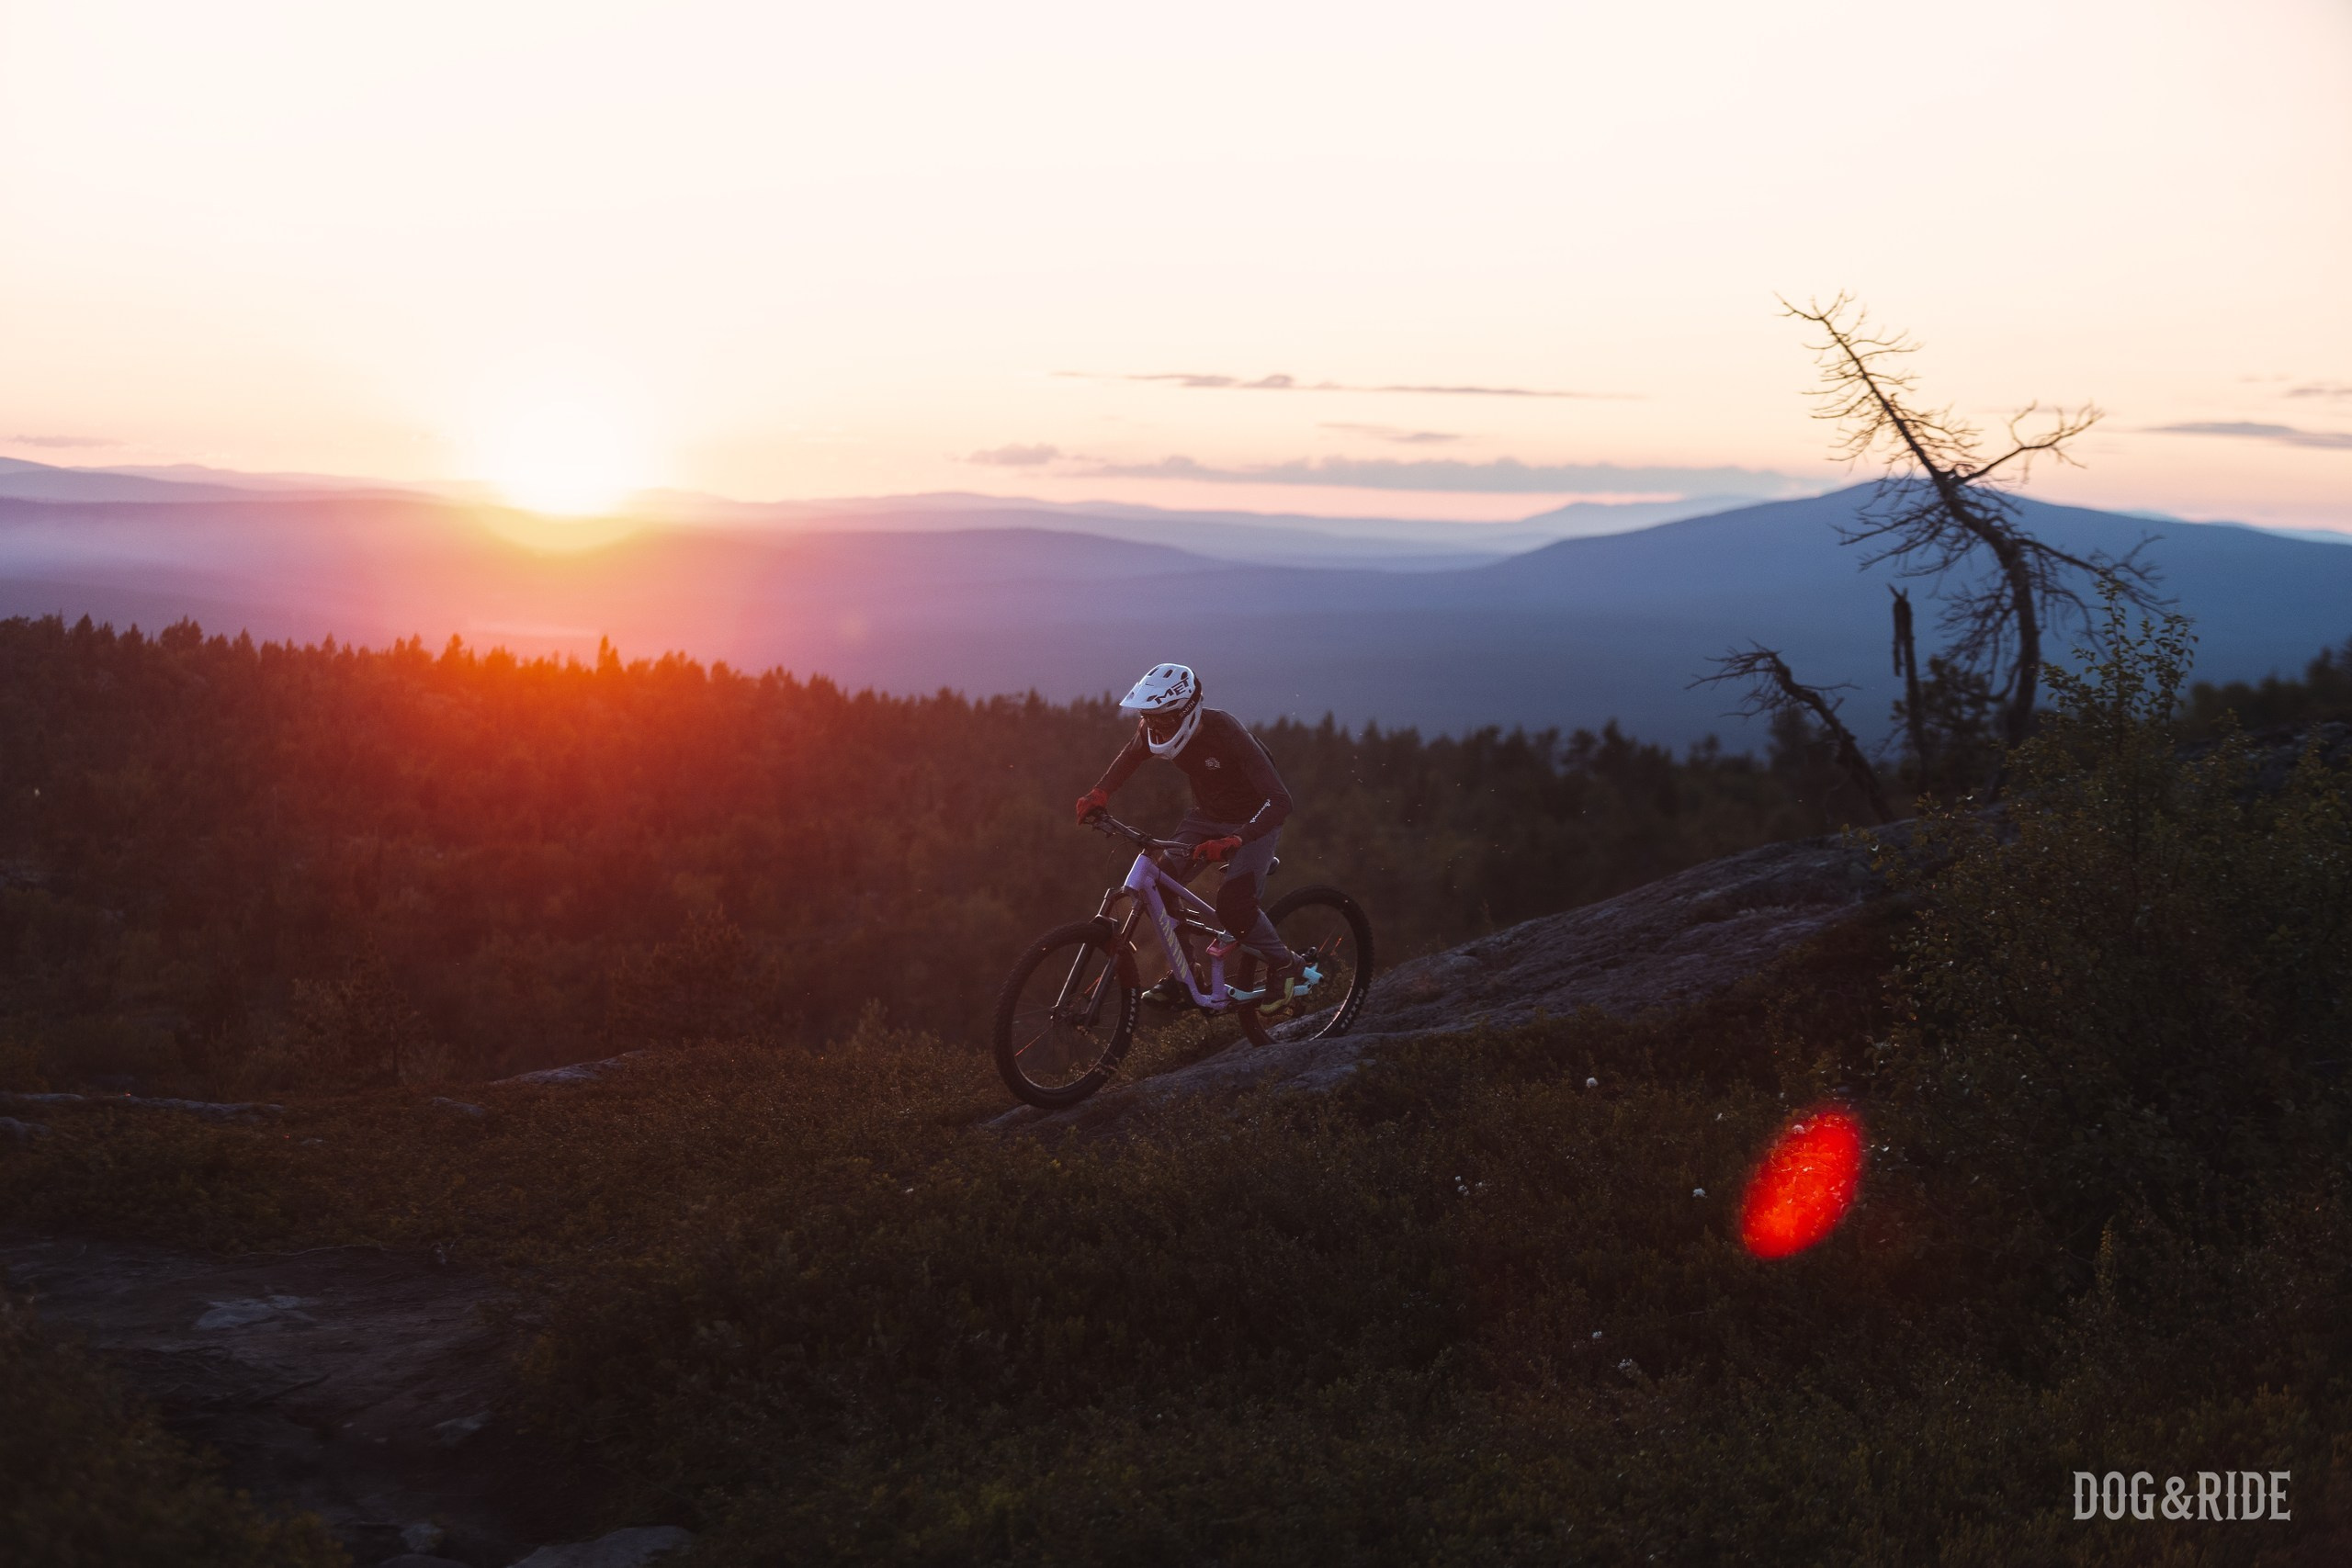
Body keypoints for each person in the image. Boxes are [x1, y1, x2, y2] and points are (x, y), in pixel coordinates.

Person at [1073, 662, 1306, 1010]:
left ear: (1187, 711)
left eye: (1163, 718)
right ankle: (1186, 976)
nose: (1154, 725)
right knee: (1160, 886)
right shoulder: (1154, 727)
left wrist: (1238, 839)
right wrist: (1100, 793)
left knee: (1234, 908)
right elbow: (1130, 756)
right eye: (1149, 718)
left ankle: (1288, 964)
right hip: (1205, 819)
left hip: (1256, 822)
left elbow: (1280, 801)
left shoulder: (1224, 731)